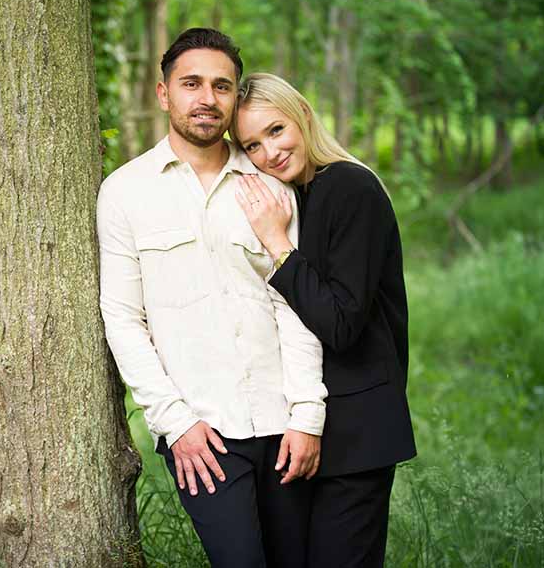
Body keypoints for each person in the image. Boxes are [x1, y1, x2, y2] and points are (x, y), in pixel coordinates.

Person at [97, 28, 328, 567]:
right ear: (163, 93)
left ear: (235, 95)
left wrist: (306, 415)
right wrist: (174, 423)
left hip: (282, 425)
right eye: (191, 84)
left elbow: (292, 307)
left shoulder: (270, 185)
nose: (207, 99)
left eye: (222, 86)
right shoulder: (126, 192)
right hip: (202, 436)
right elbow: (124, 319)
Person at [231, 72, 417, 568]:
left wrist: (278, 246)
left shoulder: (351, 188)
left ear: (303, 117)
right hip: (301, 427)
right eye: (252, 145)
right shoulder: (296, 195)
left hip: (357, 429)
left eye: (276, 131)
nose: (269, 152)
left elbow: (341, 324)